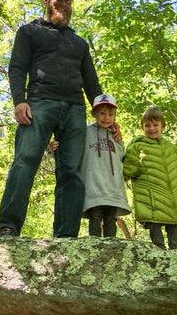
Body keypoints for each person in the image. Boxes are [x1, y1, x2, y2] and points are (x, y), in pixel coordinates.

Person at [0, 0, 109, 238]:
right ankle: (8, 225)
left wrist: (105, 113)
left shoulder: (79, 43)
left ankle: (66, 236)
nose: (64, 4)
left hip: (74, 109)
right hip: (39, 103)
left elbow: (92, 83)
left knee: (71, 171)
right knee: (25, 161)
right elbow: (17, 67)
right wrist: (18, 101)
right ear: (47, 0)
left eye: (69, 0)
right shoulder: (29, 31)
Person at [50, 94, 131, 237]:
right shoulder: (85, 131)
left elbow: (123, 159)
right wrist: (53, 148)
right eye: (102, 113)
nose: (106, 118)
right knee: (95, 215)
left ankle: (112, 245)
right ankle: (94, 243)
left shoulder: (116, 136)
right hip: (93, 184)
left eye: (111, 114)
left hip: (113, 186)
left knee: (111, 217)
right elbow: (70, 145)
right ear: (93, 113)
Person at [123, 106, 177, 250]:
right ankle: (158, 248)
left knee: (173, 221)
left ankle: (175, 247)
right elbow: (128, 167)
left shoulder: (171, 147)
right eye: (147, 125)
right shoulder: (137, 146)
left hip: (171, 192)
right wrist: (121, 178)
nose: (152, 128)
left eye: (155, 125)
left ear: (162, 126)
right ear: (142, 127)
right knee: (154, 222)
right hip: (149, 193)